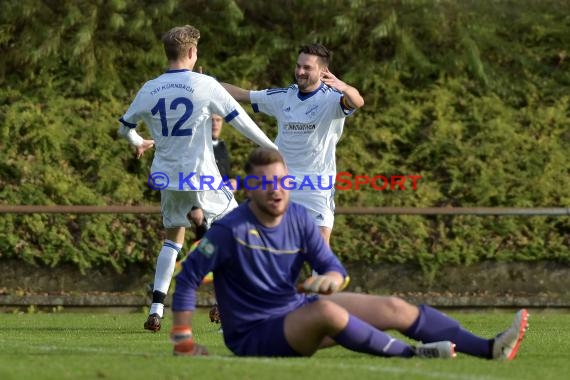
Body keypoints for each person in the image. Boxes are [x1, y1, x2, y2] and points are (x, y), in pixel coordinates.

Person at [169, 147, 529, 359]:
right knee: (325, 311)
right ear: (249, 190)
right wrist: (183, 340)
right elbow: (187, 278)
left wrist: (330, 279)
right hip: (252, 336)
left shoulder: (299, 219)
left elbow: (333, 268)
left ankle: (490, 348)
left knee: (393, 307)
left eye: (282, 182)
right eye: (265, 184)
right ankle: (411, 354)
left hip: (297, 313)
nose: (276, 191)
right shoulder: (229, 229)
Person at [117, 25, 277, 333]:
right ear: (192, 53)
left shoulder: (150, 88)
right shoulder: (206, 84)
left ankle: (156, 309)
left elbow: (124, 128)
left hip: (167, 177)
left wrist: (138, 141)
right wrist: (274, 150)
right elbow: (242, 123)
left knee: (172, 238)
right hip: (202, 176)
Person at [222, 43, 364, 246]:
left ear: (323, 71)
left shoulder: (332, 100)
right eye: (298, 66)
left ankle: (320, 278)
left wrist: (345, 87)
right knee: (273, 244)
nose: (300, 72)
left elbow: (357, 102)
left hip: (317, 185)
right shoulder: (283, 96)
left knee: (320, 245)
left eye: (307, 68)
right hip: (282, 182)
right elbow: (242, 94)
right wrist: (207, 84)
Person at [189, 114, 237, 240]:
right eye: (211, 120)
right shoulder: (197, 147)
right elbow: (190, 176)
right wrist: (195, 206)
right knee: (205, 253)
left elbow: (225, 175)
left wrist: (232, 181)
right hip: (205, 212)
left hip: (223, 210)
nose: (215, 124)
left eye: (218, 120)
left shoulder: (222, 147)